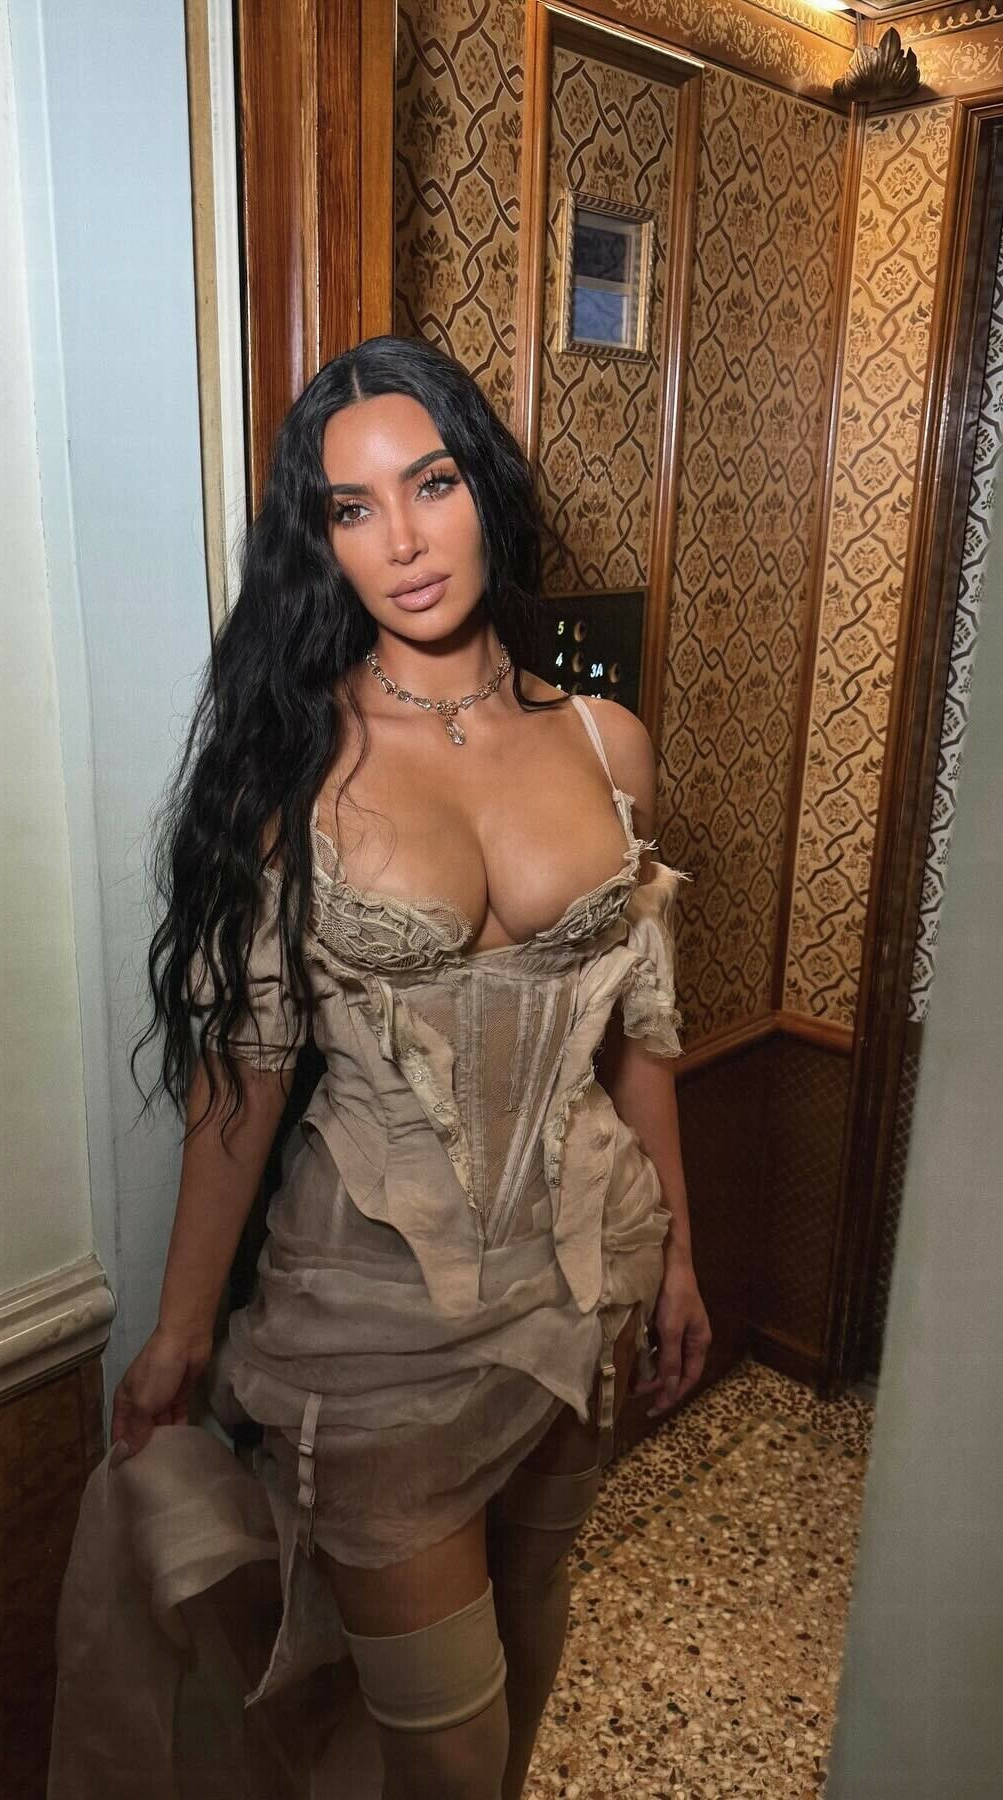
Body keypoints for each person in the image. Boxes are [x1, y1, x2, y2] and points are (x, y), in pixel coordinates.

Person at [46, 334, 711, 1800]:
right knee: (447, 1750)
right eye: (353, 508)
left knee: (532, 1628)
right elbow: (246, 1068)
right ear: (321, 542)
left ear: (486, 490)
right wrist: (181, 1328)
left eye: (432, 484)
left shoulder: (606, 741)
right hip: (373, 1317)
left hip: (588, 1273)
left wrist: (679, 1257)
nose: (403, 541)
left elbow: (638, 1030)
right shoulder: (294, 763)